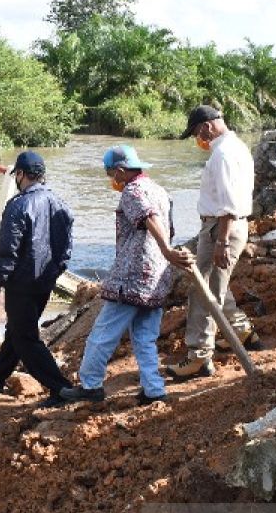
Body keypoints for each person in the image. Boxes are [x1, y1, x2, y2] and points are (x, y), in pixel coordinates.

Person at [62, 146, 195, 406]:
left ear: (121, 171)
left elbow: (149, 218)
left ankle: (90, 385)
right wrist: (165, 254)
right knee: (145, 337)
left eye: (112, 173)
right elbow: (168, 225)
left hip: (132, 276)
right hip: (157, 276)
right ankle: (154, 389)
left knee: (102, 334)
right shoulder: (159, 189)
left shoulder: (133, 191)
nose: (112, 179)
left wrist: (167, 251)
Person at [167, 105, 259, 381]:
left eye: (197, 132)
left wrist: (220, 241)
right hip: (224, 227)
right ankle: (241, 330)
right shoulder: (237, 147)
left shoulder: (222, 154)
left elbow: (228, 204)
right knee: (216, 284)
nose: (198, 138)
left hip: (221, 228)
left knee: (204, 292)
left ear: (207, 126)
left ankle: (198, 357)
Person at [0, 151, 75, 407]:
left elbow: (7, 249)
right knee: (17, 332)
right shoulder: (60, 203)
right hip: (44, 282)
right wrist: (54, 273)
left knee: (25, 338)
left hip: (21, 283)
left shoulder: (18, 205)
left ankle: (61, 388)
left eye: (17, 176)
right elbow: (66, 249)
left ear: (21, 174)